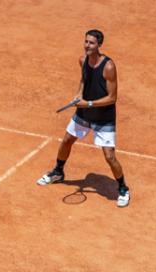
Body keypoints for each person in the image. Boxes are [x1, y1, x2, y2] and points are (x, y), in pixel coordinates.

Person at [37, 29, 130, 207]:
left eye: (92, 43)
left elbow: (112, 98)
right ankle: (58, 172)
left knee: (109, 157)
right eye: (86, 41)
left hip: (103, 117)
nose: (87, 45)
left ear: (99, 45)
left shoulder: (109, 67)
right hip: (84, 112)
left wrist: (87, 103)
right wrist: (78, 95)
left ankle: (123, 188)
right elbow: (83, 80)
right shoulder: (83, 60)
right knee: (66, 141)